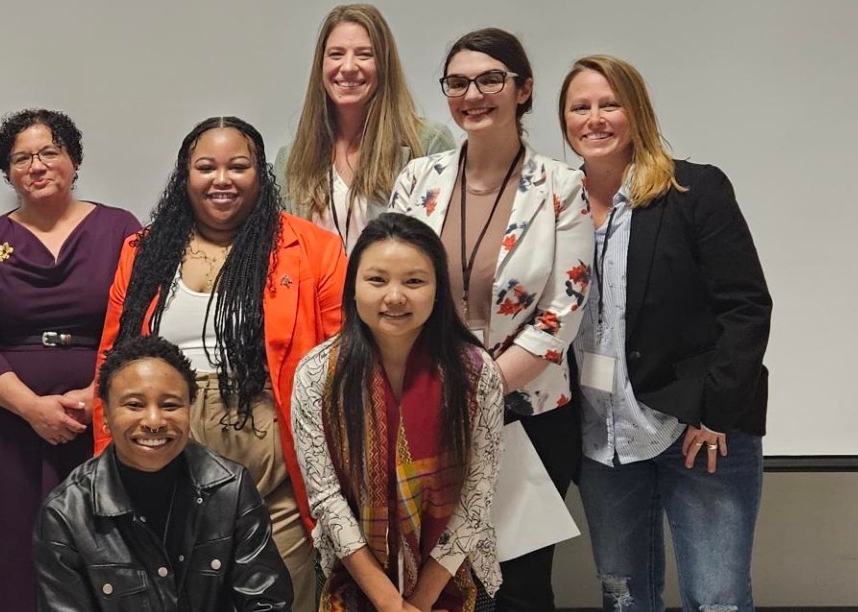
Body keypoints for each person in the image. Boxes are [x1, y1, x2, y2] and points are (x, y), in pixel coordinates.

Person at [94, 115, 345, 608]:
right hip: (162, 457)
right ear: (185, 176)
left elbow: (342, 362)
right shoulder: (143, 252)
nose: (222, 179)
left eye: (239, 166)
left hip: (275, 473)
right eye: (206, 167)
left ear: (260, 174)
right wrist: (107, 463)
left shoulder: (312, 249)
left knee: (278, 598)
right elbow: (112, 361)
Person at [386, 27, 594, 612]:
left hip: (527, 413)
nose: (472, 93)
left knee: (519, 581)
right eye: (457, 82)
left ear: (523, 90)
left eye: (490, 80)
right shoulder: (417, 180)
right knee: (435, 574)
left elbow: (564, 309)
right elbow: (390, 289)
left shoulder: (561, 186)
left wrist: (482, 386)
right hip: (426, 402)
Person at [558, 55, 773, 612]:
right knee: (625, 601)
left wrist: (716, 410)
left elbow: (746, 307)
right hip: (602, 443)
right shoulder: (556, 206)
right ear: (564, 121)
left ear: (637, 113)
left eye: (610, 104)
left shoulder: (691, 190)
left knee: (716, 601)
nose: (595, 118)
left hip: (697, 432)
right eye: (580, 107)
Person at [0, 108, 144, 611]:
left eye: (49, 152)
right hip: (11, 427)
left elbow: (140, 320)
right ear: (8, 173)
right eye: (21, 158)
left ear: (73, 160)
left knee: (105, 551)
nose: (36, 166)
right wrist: (33, 408)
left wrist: (96, 393)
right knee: (13, 556)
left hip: (101, 421)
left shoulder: (121, 228)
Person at [292, 213, 506, 612]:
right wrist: (390, 602)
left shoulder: (476, 373)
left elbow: (478, 493)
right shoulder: (317, 373)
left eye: (414, 281)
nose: (394, 296)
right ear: (353, 288)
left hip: (454, 574)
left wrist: (421, 600)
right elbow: (325, 497)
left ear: (438, 289)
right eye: (377, 280)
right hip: (352, 575)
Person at [38, 335, 294, 611]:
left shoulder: (231, 488)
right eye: (134, 405)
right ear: (106, 417)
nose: (153, 421)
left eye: (170, 405)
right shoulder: (66, 511)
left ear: (189, 411)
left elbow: (267, 602)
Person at [275, 4, 457, 243]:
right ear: (321, 64)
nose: (348, 67)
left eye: (364, 54)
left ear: (384, 64)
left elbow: (442, 248)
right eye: (336, 54)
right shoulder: (291, 160)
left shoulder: (428, 143)